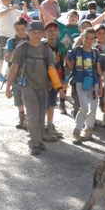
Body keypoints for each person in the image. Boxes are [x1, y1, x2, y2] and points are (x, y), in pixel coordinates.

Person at [5, 21, 64, 155]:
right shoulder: (22, 48)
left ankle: (39, 140)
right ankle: (33, 143)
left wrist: (59, 87)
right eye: (33, 32)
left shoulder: (46, 49)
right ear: (28, 33)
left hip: (43, 87)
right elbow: (13, 68)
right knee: (32, 115)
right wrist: (8, 87)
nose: (36, 35)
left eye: (39, 32)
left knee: (41, 114)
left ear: (43, 33)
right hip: (27, 86)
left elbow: (52, 69)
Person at [66, 27, 103, 145]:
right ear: (82, 36)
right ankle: (77, 131)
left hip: (94, 82)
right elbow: (72, 67)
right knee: (84, 107)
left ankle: (89, 129)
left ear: (94, 40)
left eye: (91, 38)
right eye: (86, 37)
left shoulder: (95, 52)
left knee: (93, 107)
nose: (88, 40)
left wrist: (101, 87)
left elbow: (99, 71)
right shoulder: (76, 50)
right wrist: (65, 58)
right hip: (80, 81)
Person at [0, 0, 28, 81]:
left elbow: (23, 15)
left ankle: (8, 74)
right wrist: (12, 9)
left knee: (13, 55)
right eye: (7, 0)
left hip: (13, 36)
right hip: (3, 35)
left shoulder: (12, 9)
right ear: (2, 0)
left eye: (10, 0)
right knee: (2, 55)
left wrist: (24, 8)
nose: (9, 1)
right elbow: (0, 15)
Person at [5, 17, 29, 130]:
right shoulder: (11, 41)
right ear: (14, 29)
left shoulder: (31, 39)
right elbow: (7, 58)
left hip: (29, 74)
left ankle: (29, 118)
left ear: (26, 29)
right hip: (15, 74)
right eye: (18, 29)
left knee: (29, 96)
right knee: (18, 96)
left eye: (22, 29)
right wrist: (17, 48)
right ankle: (22, 117)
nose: (20, 31)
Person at [43, 21, 64, 139]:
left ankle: (50, 125)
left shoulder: (59, 47)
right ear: (45, 33)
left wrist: (62, 81)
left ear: (58, 32)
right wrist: (49, 81)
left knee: (52, 103)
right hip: (46, 81)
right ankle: (43, 128)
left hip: (57, 81)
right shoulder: (43, 47)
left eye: (55, 30)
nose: (52, 33)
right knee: (44, 104)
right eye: (49, 30)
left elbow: (61, 64)